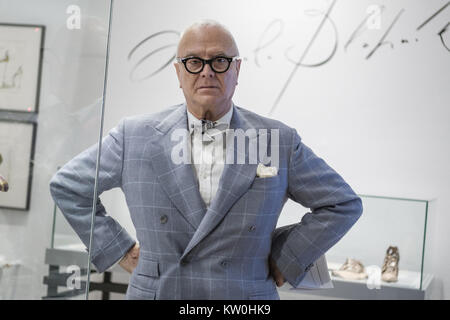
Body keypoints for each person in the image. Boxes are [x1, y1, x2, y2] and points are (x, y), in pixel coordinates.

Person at [49, 20, 362, 300]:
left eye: (220, 61)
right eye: (194, 62)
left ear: (237, 70)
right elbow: (69, 186)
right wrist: (119, 249)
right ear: (178, 72)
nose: (207, 71)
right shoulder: (135, 136)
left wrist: (289, 257)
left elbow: (342, 204)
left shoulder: (277, 140)